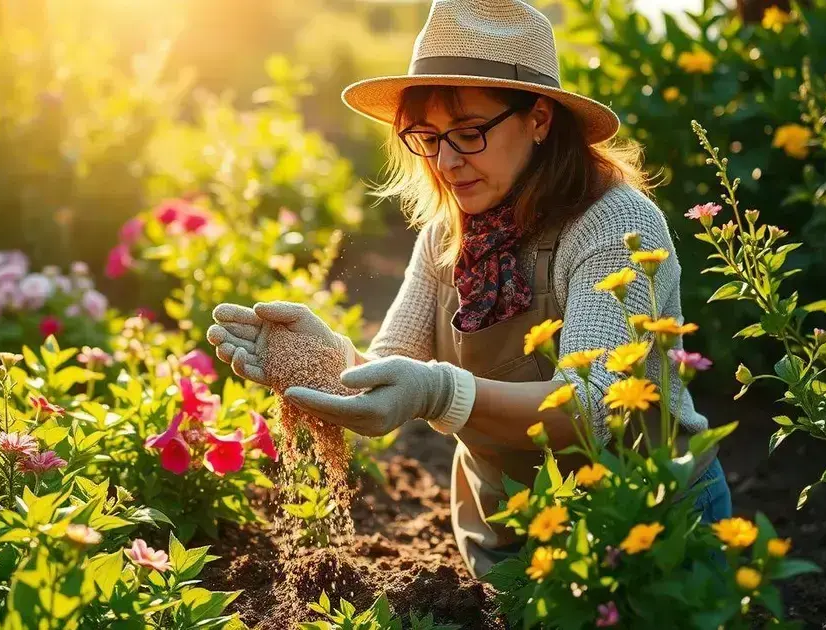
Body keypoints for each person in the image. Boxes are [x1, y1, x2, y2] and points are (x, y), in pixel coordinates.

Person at [205, 0, 731, 578]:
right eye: (426, 137)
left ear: (538, 118)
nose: (447, 161)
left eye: (470, 132)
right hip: (505, 540)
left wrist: (436, 393)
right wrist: (318, 359)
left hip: (645, 528)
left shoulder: (612, 224)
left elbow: (586, 409)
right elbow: (391, 373)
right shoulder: (445, 235)